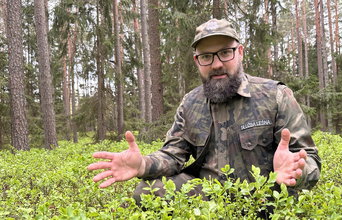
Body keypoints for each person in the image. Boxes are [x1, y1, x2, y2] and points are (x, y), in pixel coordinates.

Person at [87, 19, 321, 208]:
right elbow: (173, 155)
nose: (216, 64)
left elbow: (310, 158)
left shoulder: (275, 96)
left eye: (225, 53)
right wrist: (142, 165)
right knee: (147, 190)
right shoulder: (191, 103)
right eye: (206, 56)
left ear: (240, 52)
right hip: (209, 201)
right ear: (197, 61)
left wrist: (295, 171)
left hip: (264, 198)